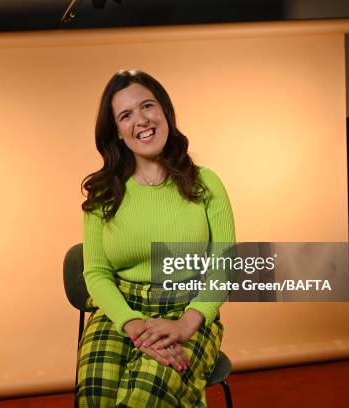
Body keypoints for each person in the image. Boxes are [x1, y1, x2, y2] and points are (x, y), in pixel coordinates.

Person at [76, 69, 236, 407]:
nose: (141, 120)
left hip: (187, 307)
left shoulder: (206, 184)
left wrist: (184, 325)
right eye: (126, 115)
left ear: (164, 111)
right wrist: (133, 325)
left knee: (146, 395)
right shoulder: (102, 194)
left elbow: (224, 266)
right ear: (117, 132)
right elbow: (96, 273)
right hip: (119, 310)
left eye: (147, 106)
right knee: (95, 393)